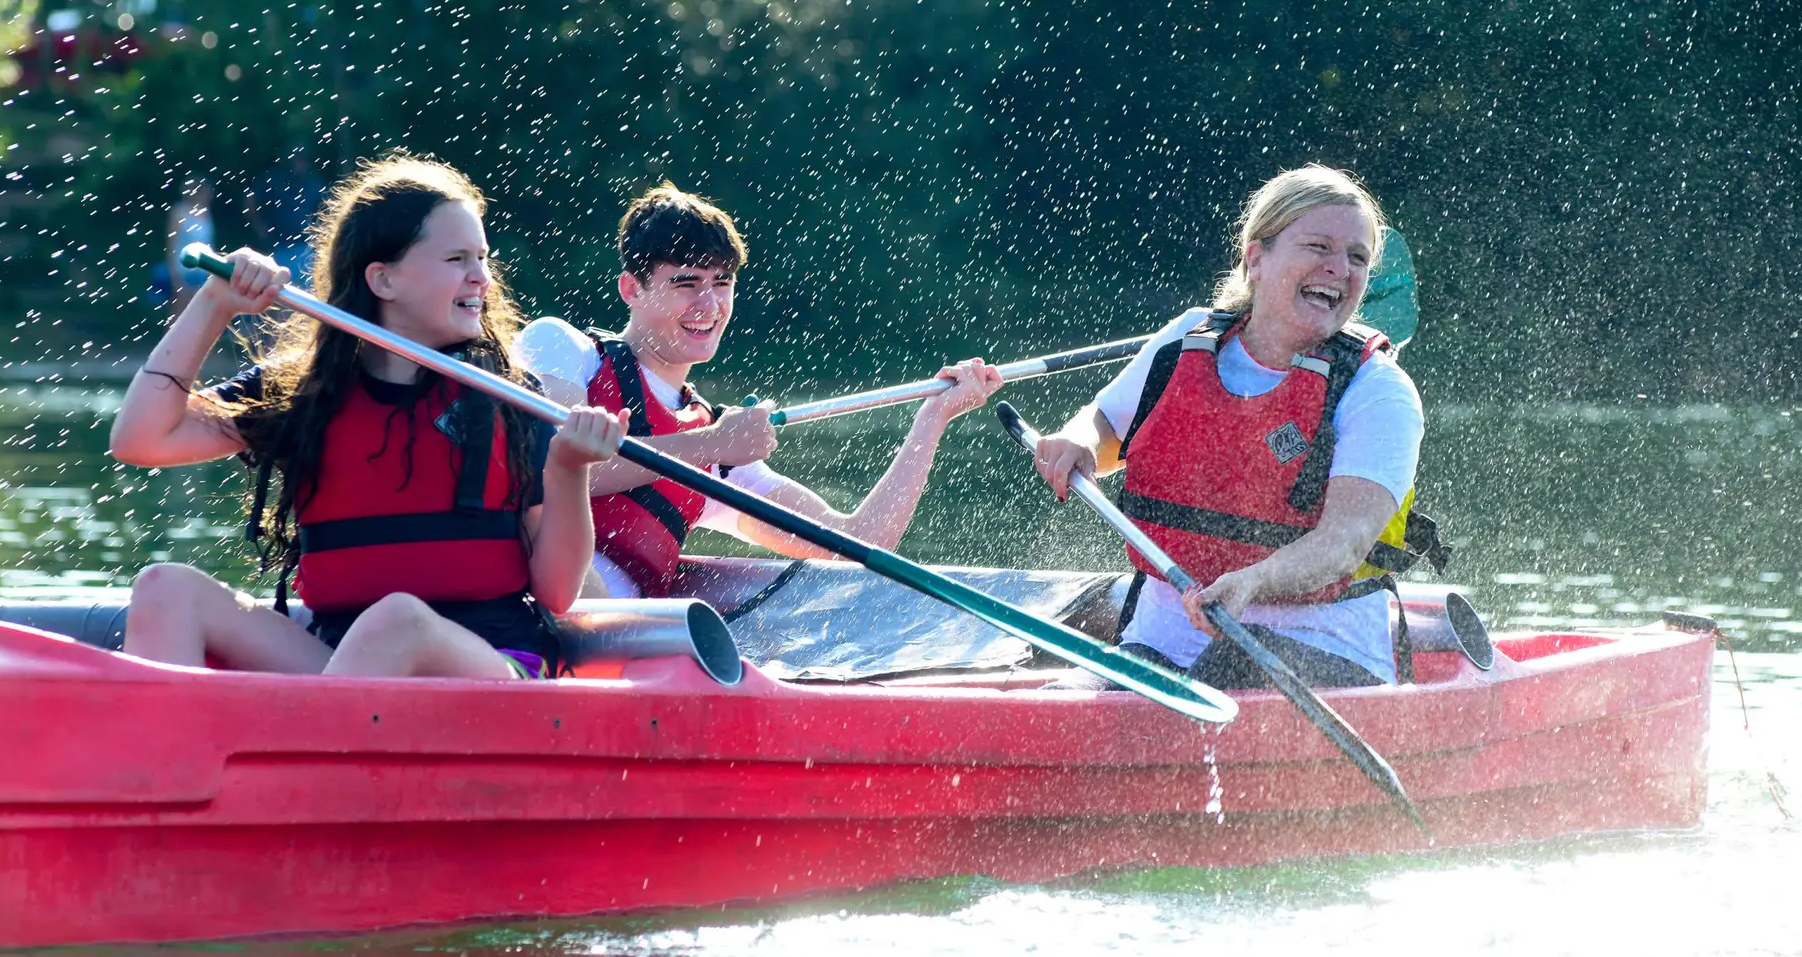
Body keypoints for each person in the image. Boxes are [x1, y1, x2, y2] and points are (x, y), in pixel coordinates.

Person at [109, 154, 628, 680]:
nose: (481, 278)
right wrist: (214, 305)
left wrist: (568, 469)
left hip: (491, 666)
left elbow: (559, 593)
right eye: (456, 259)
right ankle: (173, 763)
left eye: (482, 258)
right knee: (166, 589)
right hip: (340, 662)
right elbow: (142, 440)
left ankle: (302, 748)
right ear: (382, 280)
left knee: (397, 622)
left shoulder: (511, 399)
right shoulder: (302, 393)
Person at [1031, 165, 1447, 690]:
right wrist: (1078, 442)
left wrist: (1253, 582)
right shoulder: (1187, 338)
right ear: (1256, 257)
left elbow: (1344, 544)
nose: (1339, 268)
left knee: (1226, 668)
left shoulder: (1378, 390)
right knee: (1074, 701)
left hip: (1324, 648)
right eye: (1318, 247)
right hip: (1160, 641)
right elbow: (1105, 431)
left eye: (1357, 258)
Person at [513, 183, 1003, 598]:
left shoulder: (726, 461)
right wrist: (714, 445)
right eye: (686, 283)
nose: (708, 304)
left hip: (615, 639)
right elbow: (549, 463)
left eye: (721, 282)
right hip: (538, 600)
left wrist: (931, 421)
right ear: (631, 290)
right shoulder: (560, 348)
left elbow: (858, 541)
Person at [246, 148, 330, 286]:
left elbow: (327, 208)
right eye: (296, 159)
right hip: (280, 246)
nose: (299, 163)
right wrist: (260, 228)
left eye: (302, 159)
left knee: (309, 294)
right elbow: (250, 201)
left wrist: (322, 234)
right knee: (280, 292)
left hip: (307, 248)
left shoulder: (313, 183)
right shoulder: (275, 180)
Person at [165, 179, 217, 315]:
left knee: (200, 313)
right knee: (179, 313)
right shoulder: (179, 212)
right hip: (183, 269)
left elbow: (208, 244)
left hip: (202, 270)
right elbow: (172, 245)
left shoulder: (206, 213)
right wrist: (174, 274)